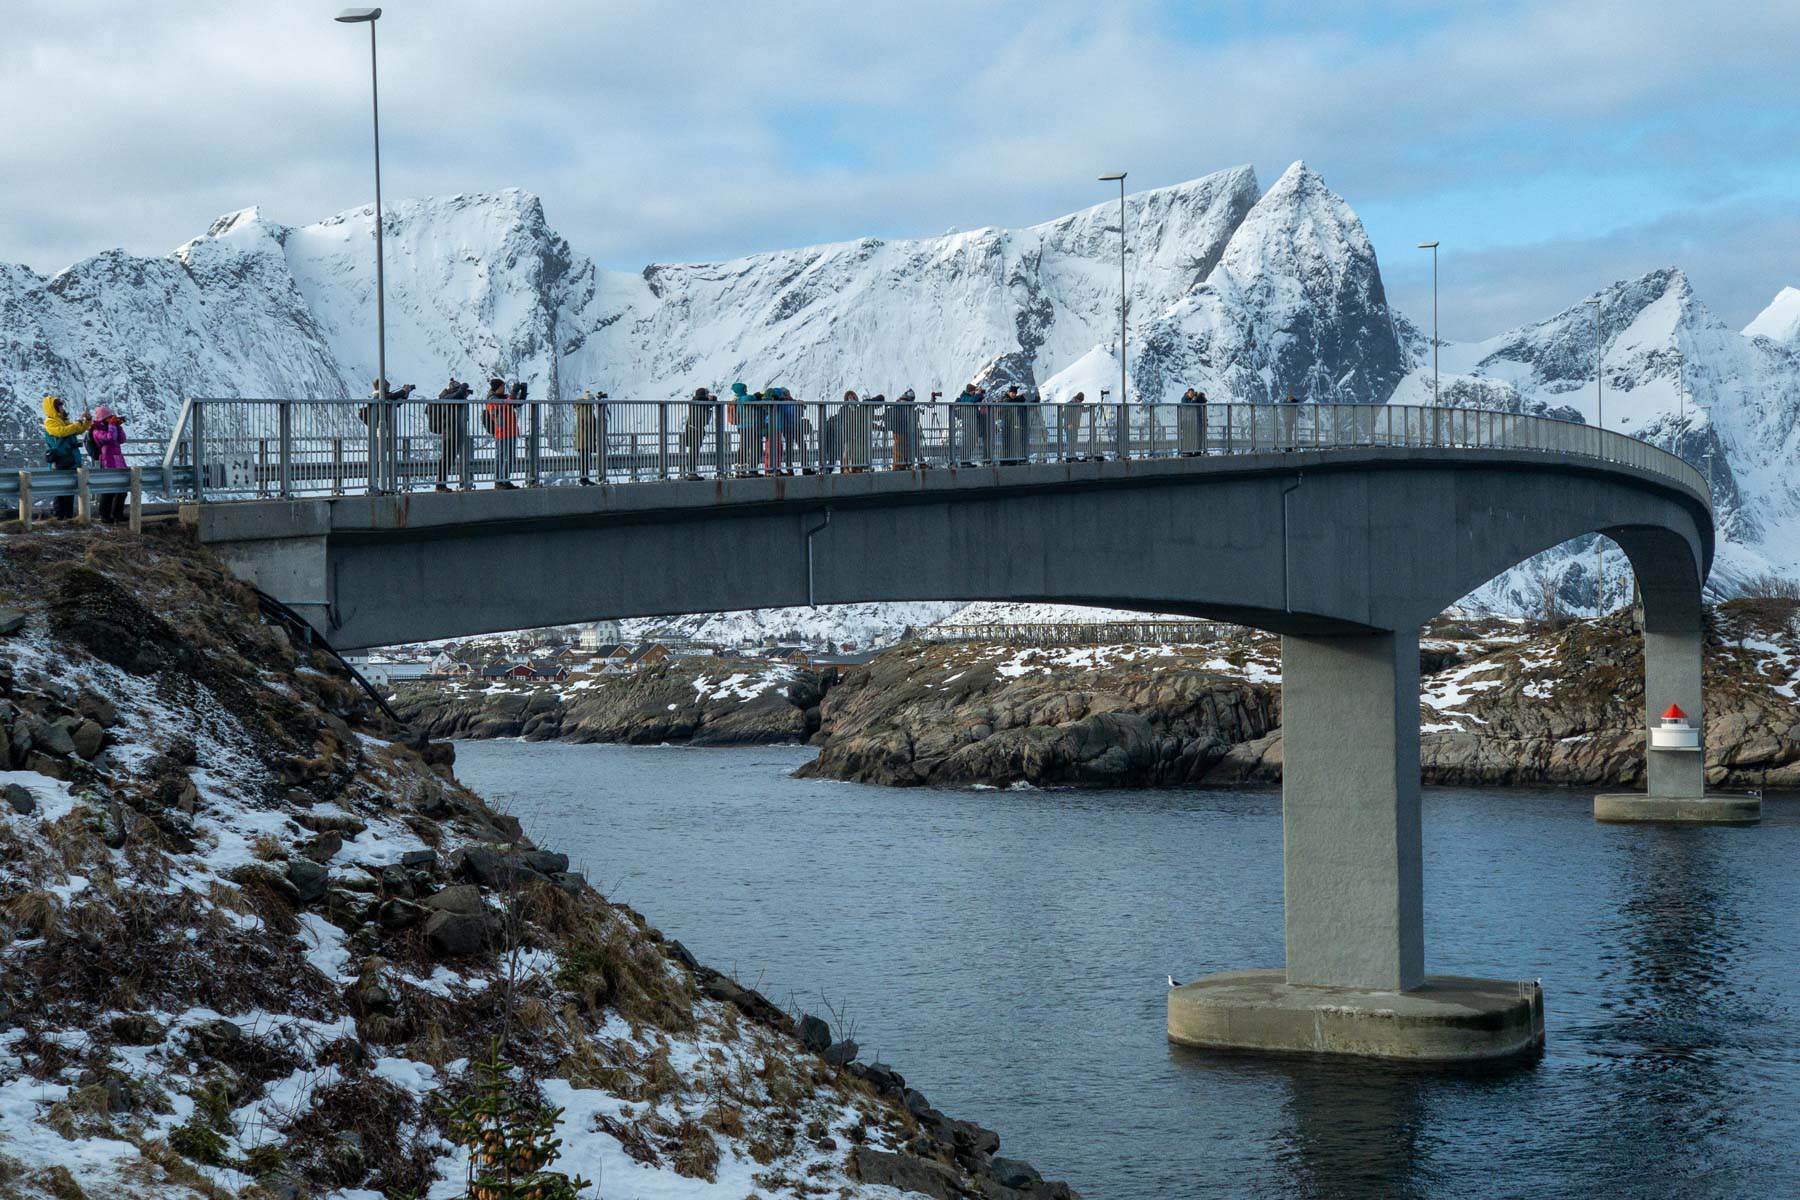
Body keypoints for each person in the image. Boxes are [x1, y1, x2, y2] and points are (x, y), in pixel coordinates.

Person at [41, 395, 91, 519]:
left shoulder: (64, 420)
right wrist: (78, 423)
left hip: (70, 459)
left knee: (69, 490)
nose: (62, 407)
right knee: (60, 490)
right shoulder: (50, 422)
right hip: (60, 461)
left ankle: (67, 517)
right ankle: (58, 517)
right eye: (59, 405)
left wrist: (87, 421)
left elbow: (77, 430)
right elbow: (61, 432)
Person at [87, 404, 129, 522]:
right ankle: (104, 515)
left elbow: (121, 439)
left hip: (118, 461)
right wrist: (112, 425)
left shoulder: (111, 427)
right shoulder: (96, 431)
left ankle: (118, 514)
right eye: (109, 417)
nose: (112, 419)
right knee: (109, 490)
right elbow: (110, 439)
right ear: (103, 418)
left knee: (122, 490)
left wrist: (118, 426)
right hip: (108, 462)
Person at [430, 377, 473, 490]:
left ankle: (442, 484)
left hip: (455, 433)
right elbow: (457, 396)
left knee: (449, 459)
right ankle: (440, 485)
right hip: (449, 433)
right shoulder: (447, 398)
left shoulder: (452, 398)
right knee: (446, 459)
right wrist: (463, 389)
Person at [483, 378, 520, 487]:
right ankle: (500, 481)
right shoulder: (492, 400)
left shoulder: (501, 398)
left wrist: (522, 393)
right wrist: (514, 393)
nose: (504, 389)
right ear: (497, 388)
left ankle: (505, 480)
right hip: (502, 432)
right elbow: (506, 403)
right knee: (502, 457)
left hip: (510, 432)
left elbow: (515, 403)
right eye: (502, 387)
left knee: (509, 457)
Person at [573, 389, 608, 485]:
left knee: (585, 459)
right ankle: (584, 479)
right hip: (585, 438)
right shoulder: (585, 409)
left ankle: (584, 478)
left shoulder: (582, 408)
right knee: (585, 459)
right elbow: (589, 423)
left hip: (585, 438)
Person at [682, 387, 713, 479]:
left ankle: (692, 472)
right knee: (694, 452)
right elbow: (712, 400)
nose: (708, 396)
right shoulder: (699, 402)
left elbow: (713, 400)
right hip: (695, 430)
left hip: (693, 428)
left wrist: (708, 399)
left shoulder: (696, 401)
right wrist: (708, 399)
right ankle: (692, 472)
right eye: (706, 394)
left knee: (694, 451)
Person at [954, 383, 989, 464]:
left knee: (973, 441)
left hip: (972, 422)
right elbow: (970, 401)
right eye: (974, 391)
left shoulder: (970, 397)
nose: (974, 393)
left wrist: (980, 395)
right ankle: (964, 460)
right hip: (968, 423)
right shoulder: (964, 397)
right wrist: (977, 395)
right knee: (968, 441)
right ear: (970, 391)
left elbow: (977, 400)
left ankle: (966, 460)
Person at [887, 389, 920, 468]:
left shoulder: (898, 403)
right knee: (900, 449)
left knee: (900, 449)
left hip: (899, 430)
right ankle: (901, 464)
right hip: (901, 430)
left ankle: (901, 464)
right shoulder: (903, 404)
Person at [1178, 387, 1208, 456]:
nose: (1192, 395)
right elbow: (1188, 406)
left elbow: (1204, 401)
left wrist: (1200, 396)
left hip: (1195, 422)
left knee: (1197, 436)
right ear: (1188, 393)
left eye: (1193, 393)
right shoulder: (1184, 398)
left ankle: (1197, 450)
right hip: (1187, 421)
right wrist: (1194, 400)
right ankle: (1187, 451)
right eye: (1190, 393)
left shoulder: (1193, 398)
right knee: (1188, 436)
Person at [1060, 391, 1087, 461]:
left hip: (1075, 426)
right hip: (1069, 426)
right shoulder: (1069, 404)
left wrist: (1091, 408)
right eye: (1080, 401)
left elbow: (1084, 410)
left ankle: (1073, 455)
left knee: (1074, 442)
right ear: (1078, 398)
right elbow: (1065, 415)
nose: (1081, 402)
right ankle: (1069, 457)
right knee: (1070, 442)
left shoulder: (1079, 404)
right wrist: (1069, 424)